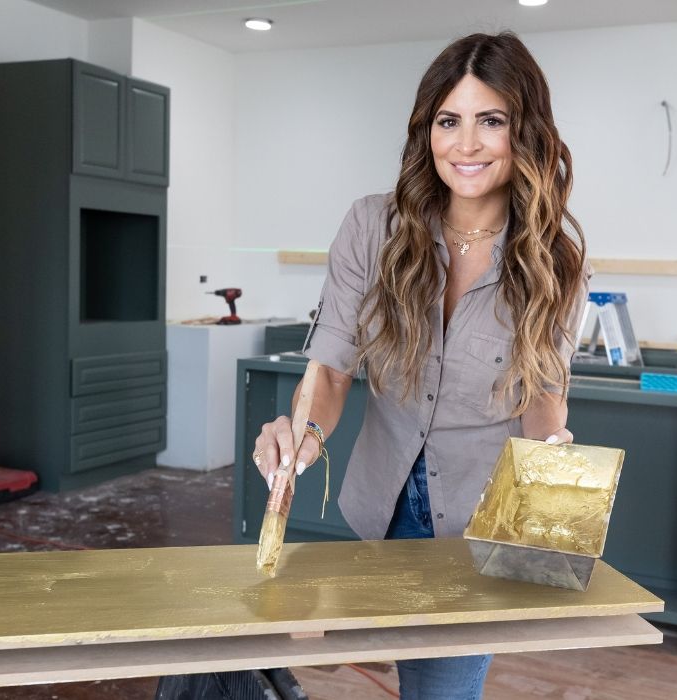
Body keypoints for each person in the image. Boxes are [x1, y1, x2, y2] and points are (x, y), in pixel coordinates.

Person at [252, 31, 590, 700]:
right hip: (380, 505)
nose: (465, 144)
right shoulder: (371, 228)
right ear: (425, 130)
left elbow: (543, 409)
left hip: (477, 522)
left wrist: (551, 500)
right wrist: (303, 437)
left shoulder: (554, 260)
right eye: (448, 121)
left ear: (525, 133)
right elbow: (330, 370)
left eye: (490, 121)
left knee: (442, 690)